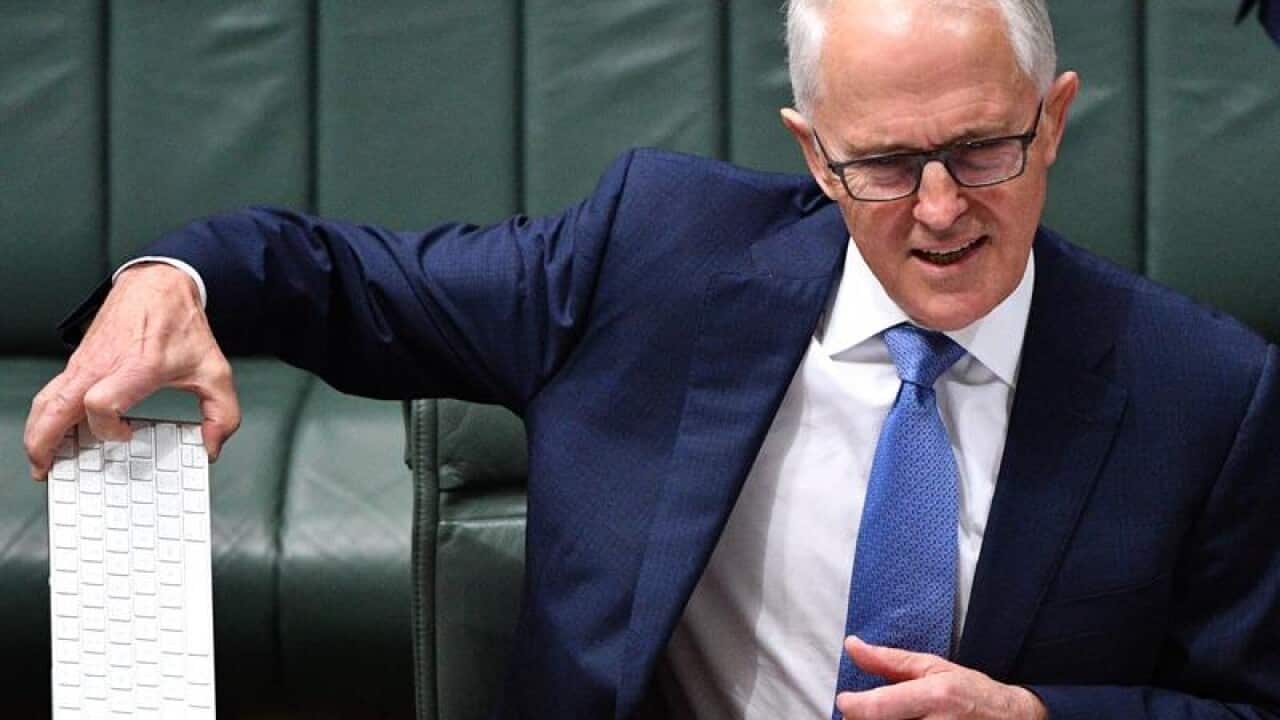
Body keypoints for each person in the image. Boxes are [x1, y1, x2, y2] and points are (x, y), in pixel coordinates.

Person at [24, 0, 1280, 718]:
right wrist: (164, 282)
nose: (943, 208)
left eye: (983, 150)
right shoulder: (652, 258)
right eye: (885, 168)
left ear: (1052, 118)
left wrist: (1037, 717)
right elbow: (337, 276)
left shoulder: (1204, 392)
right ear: (810, 151)